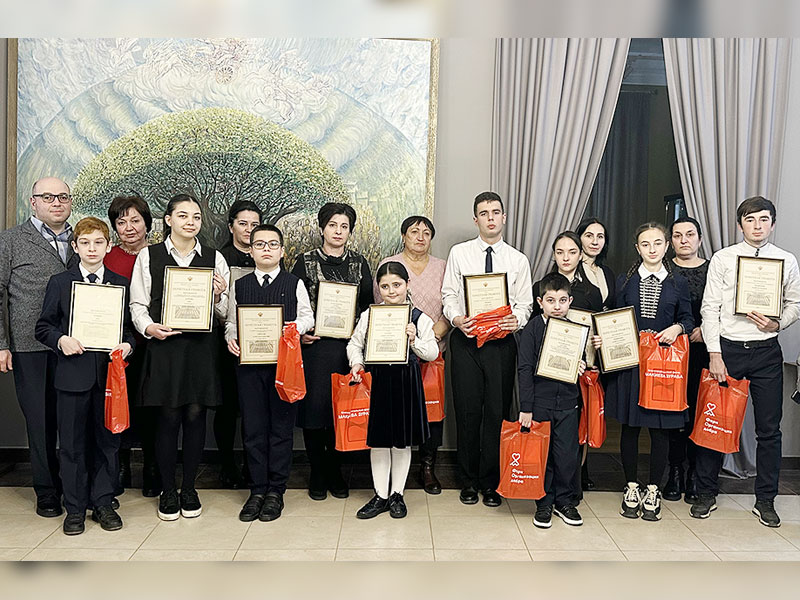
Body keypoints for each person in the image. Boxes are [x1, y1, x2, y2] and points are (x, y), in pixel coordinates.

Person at [692, 197, 800, 527]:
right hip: (727, 350)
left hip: (767, 351)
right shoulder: (723, 258)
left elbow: (795, 303)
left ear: (772, 224)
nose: (757, 226)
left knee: (769, 430)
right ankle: (706, 493)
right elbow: (709, 308)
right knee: (715, 424)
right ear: (740, 225)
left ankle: (765, 499)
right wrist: (714, 354)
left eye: (764, 219)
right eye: (750, 220)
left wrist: (778, 323)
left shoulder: (786, 260)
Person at [129, 193, 230, 520]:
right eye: (183, 215)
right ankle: (168, 490)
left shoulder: (214, 258)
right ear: (168, 220)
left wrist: (218, 294)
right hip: (165, 346)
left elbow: (225, 312)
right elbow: (138, 304)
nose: (191, 222)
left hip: (201, 348)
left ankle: (189, 488)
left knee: (196, 416)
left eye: (196, 217)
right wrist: (149, 328)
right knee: (168, 416)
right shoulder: (149, 256)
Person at [35, 217, 136, 535]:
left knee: (108, 444)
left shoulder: (120, 283)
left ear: (108, 246)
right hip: (71, 378)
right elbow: (43, 327)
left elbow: (131, 330)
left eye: (98, 242)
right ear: (75, 246)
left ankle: (103, 503)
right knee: (72, 447)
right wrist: (61, 340)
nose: (92, 248)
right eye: (85, 243)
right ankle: (75, 509)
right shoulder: (60, 282)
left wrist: (128, 345)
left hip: (109, 379)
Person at [594, 222, 693, 522]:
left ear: (667, 245)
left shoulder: (678, 283)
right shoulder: (625, 281)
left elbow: (688, 318)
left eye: (658, 243)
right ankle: (631, 486)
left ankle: (653, 490)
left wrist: (677, 328)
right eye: (645, 244)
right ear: (637, 248)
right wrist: (605, 337)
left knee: (660, 430)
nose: (652, 249)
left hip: (663, 366)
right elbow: (613, 319)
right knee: (630, 427)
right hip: (632, 364)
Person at [442, 191, 533, 507]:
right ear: (475, 219)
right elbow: (449, 295)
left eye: (496, 212)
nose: (490, 218)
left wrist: (516, 320)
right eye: (484, 213)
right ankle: (468, 481)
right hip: (466, 341)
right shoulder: (459, 253)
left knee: (497, 412)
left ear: (504, 217)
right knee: (467, 413)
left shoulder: (518, 259)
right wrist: (457, 319)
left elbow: (525, 304)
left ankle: (491, 482)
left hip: (500, 344)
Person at [0, 177, 78, 518]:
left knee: (73, 420)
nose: (56, 202)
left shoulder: (82, 238)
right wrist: (1, 344)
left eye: (62, 196)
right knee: (40, 422)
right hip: (30, 346)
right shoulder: (11, 240)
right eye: (48, 197)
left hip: (75, 346)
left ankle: (76, 488)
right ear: (33, 202)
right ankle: (47, 491)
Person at [225, 224, 314, 522]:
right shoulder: (241, 285)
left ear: (282, 251)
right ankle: (257, 490)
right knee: (253, 429)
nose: (266, 249)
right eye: (260, 244)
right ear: (250, 251)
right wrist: (231, 337)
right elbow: (232, 322)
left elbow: (307, 316)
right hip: (249, 368)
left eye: (273, 244)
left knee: (280, 429)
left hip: (284, 367)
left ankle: (276, 491)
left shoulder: (293, 283)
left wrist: (295, 328)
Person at [291, 202, 373, 501]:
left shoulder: (360, 263)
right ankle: (317, 471)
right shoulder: (304, 262)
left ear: (350, 231)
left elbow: (367, 306)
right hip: (314, 348)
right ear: (322, 228)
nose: (338, 231)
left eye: (344, 226)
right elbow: (294, 305)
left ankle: (335, 471)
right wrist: (301, 333)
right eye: (333, 225)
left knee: (342, 411)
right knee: (315, 412)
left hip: (347, 349)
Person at [348, 261, 438, 518]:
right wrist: (356, 363)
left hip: (406, 383)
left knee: (401, 442)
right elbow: (354, 344)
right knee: (379, 441)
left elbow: (432, 353)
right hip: (378, 382)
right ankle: (380, 496)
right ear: (378, 288)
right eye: (385, 286)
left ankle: (397, 494)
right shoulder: (369, 315)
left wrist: (414, 339)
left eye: (397, 285)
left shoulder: (419, 318)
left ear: (407, 284)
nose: (391, 291)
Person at [373, 215, 449, 494]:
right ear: (403, 236)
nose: (420, 237)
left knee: (432, 409)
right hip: (394, 355)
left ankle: (427, 466)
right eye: (414, 231)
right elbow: (380, 307)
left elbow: (451, 304)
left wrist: (433, 335)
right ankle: (390, 480)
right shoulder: (389, 265)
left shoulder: (442, 267)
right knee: (397, 413)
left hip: (432, 349)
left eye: (426, 232)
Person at [532, 231, 603, 501]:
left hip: (582, 370)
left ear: (580, 254)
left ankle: (573, 486)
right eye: (560, 252)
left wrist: (598, 343)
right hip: (548, 377)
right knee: (552, 436)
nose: (566, 257)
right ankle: (549, 490)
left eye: (572, 252)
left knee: (576, 431)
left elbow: (600, 326)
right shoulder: (542, 286)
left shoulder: (592, 292)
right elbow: (535, 329)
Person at [518, 272, 586, 529]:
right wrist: (526, 407)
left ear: (570, 301)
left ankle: (564, 501)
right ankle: (544, 502)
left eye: (562, 300)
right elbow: (524, 369)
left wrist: (581, 365)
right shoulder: (532, 329)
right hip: (540, 403)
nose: (557, 306)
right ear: (540, 302)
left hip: (568, 402)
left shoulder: (576, 330)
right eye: (551, 300)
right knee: (543, 456)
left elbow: (584, 360)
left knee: (566, 455)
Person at [105, 194, 160, 497]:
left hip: (153, 345)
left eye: (135, 220)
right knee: (119, 404)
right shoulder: (107, 257)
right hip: (117, 347)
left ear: (147, 223)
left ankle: (152, 467)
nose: (129, 227)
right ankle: (121, 465)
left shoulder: (159, 256)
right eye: (121, 221)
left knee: (151, 407)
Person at [216, 200, 263, 489]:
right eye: (242, 223)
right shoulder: (220, 257)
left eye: (254, 224)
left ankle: (252, 465)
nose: (248, 229)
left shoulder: (267, 255)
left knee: (254, 408)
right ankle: (226, 465)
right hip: (227, 343)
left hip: (261, 344)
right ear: (231, 225)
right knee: (227, 407)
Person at [664, 216, 708, 503]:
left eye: (689, 234)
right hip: (670, 351)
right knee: (673, 413)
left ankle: (694, 473)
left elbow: (723, 306)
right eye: (678, 235)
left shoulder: (712, 269)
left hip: (703, 350)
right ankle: (674, 472)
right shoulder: (663, 269)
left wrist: (706, 330)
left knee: (698, 411)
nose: (684, 240)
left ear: (699, 239)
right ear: (671, 242)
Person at [576, 217, 616, 311]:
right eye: (589, 236)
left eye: (600, 237)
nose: (595, 242)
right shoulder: (572, 270)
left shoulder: (608, 272)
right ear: (579, 238)